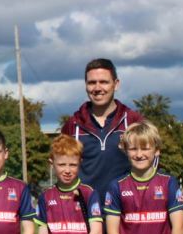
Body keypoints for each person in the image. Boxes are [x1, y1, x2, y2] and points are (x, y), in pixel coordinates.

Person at [60, 59, 144, 205]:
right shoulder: (72, 125)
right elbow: (61, 165)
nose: (97, 88)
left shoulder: (133, 121)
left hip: (125, 212)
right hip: (84, 212)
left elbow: (151, 161)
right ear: (85, 85)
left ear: (116, 84)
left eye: (104, 82)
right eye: (92, 82)